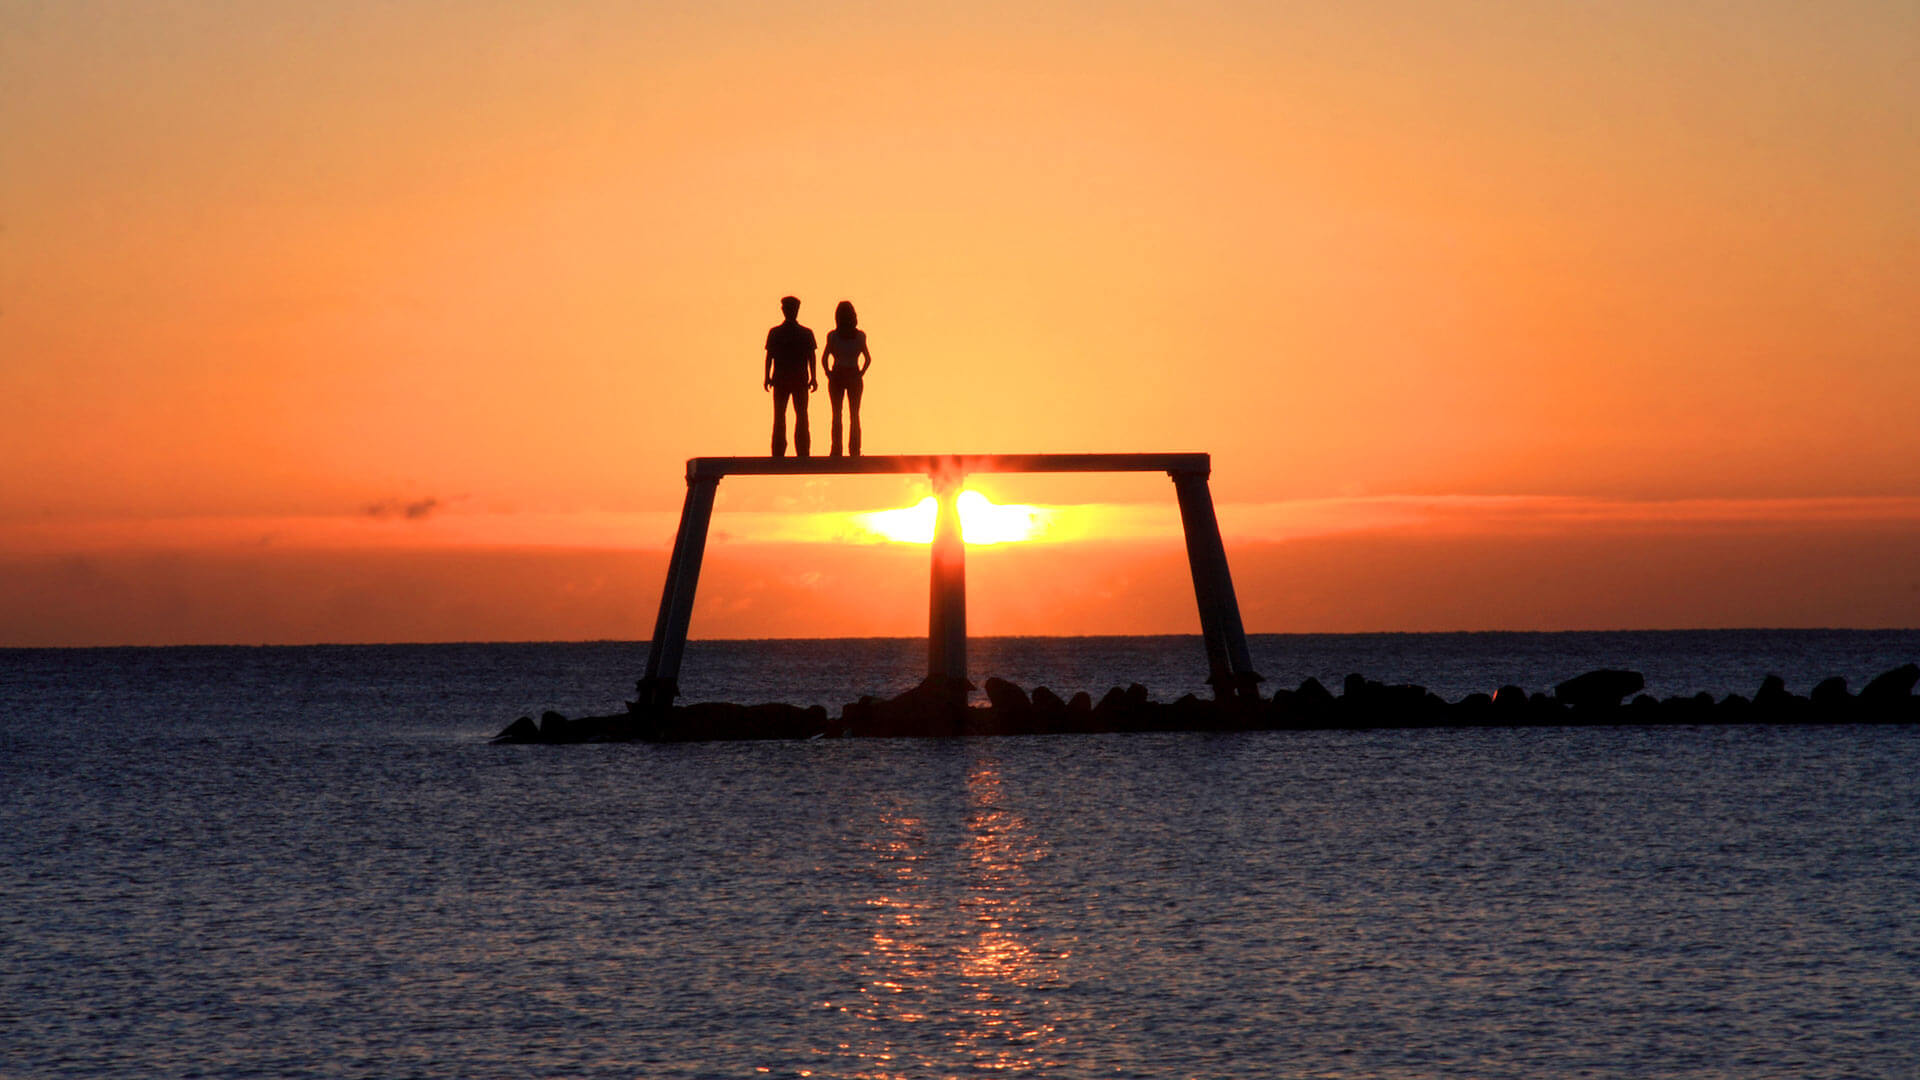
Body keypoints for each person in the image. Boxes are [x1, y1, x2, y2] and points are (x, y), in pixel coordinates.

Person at [763, 295, 817, 457]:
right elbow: (770, 356)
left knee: (791, 415)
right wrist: (767, 376)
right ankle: (791, 451)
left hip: (793, 379)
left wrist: (813, 376)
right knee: (788, 415)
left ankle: (794, 451)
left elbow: (811, 357)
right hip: (786, 379)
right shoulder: (780, 333)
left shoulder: (799, 333)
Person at [821, 300, 872, 457]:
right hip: (852, 375)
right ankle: (854, 450)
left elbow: (824, 358)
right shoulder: (859, 336)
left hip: (838, 374)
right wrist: (860, 372)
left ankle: (837, 449)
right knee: (853, 415)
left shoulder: (833, 336)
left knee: (837, 414)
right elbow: (868, 359)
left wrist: (829, 373)